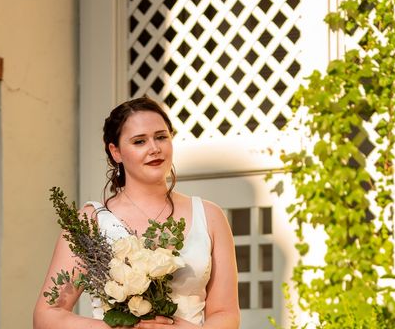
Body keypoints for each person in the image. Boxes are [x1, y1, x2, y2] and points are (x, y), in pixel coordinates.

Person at [33, 97, 240, 328]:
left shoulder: (210, 216)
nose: (154, 148)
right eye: (139, 141)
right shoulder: (89, 223)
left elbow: (226, 313)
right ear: (116, 152)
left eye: (161, 137)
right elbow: (47, 315)